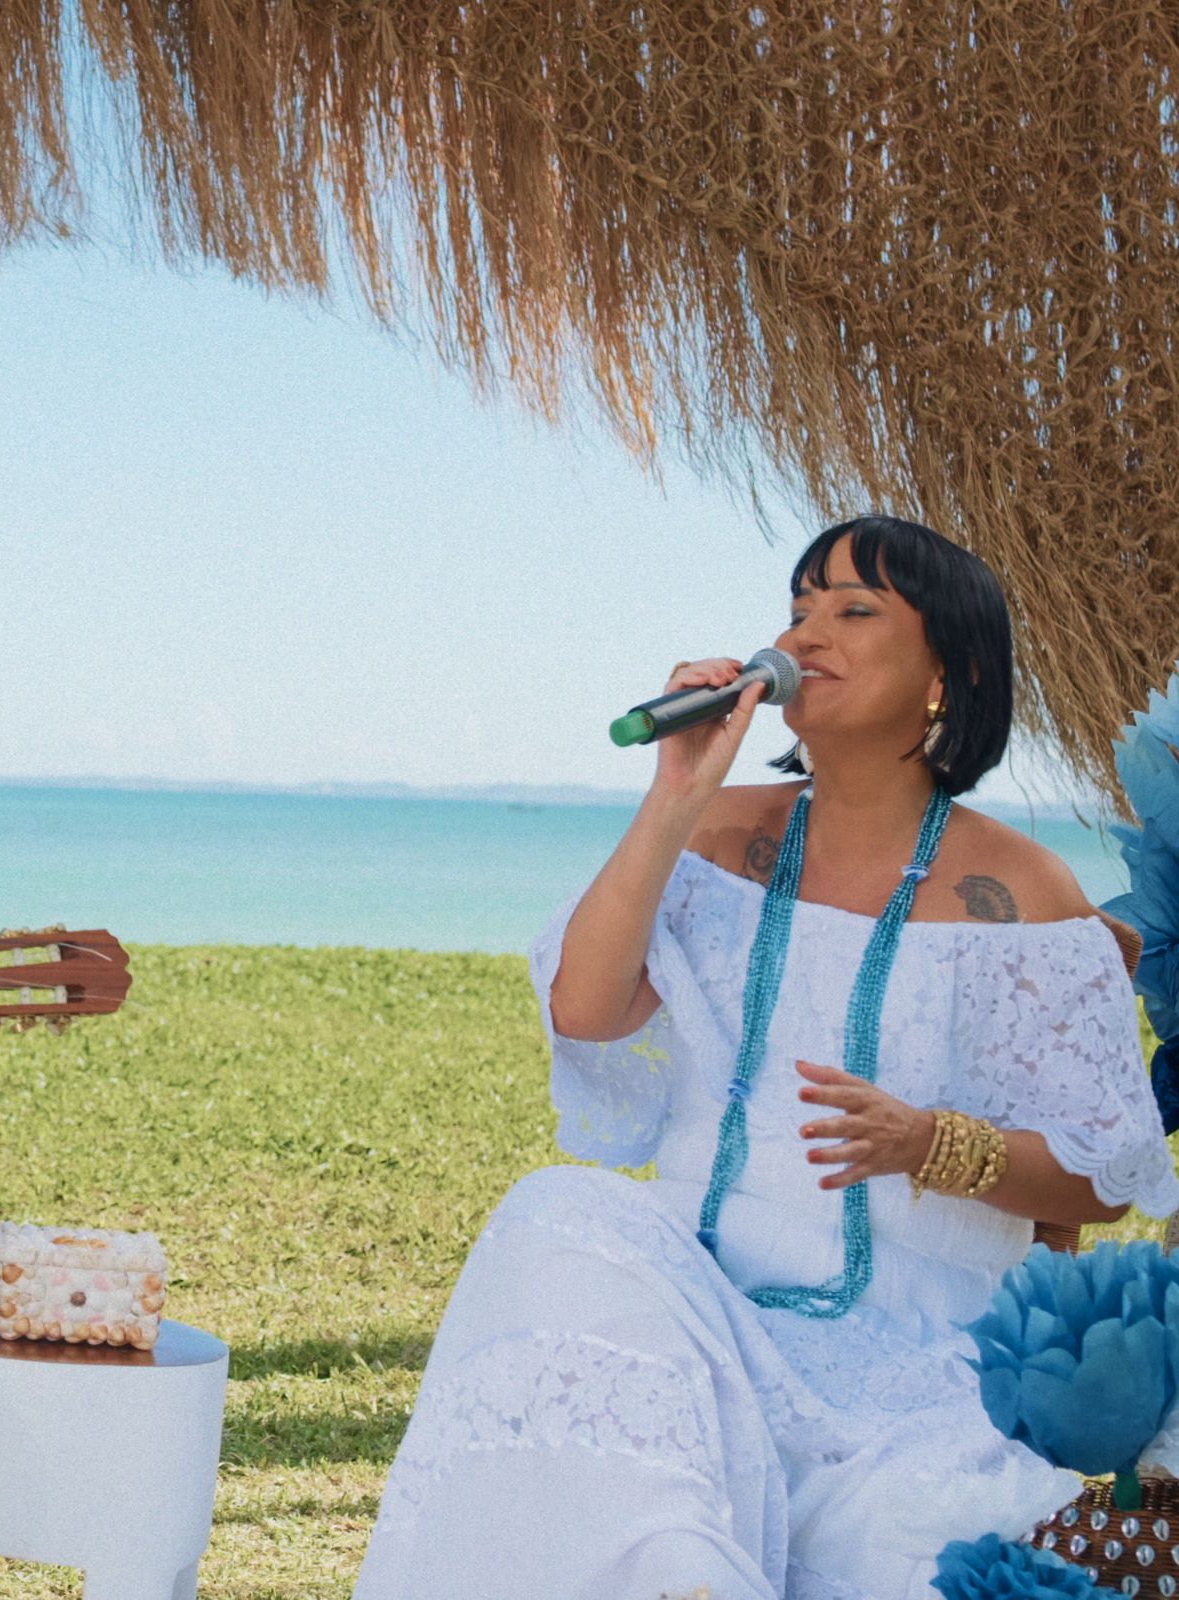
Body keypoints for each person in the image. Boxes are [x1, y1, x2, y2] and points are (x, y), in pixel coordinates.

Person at [353, 515, 1179, 1598]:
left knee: (926, 1540)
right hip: (689, 1310)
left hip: (903, 1360)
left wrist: (931, 1142)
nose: (806, 632)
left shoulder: (1021, 893)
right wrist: (675, 794)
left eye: (853, 608)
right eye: (797, 607)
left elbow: (1101, 1177)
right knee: (557, 1212)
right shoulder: (712, 835)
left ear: (951, 672)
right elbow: (588, 1008)